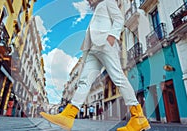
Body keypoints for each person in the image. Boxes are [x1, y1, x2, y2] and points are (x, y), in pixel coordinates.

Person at [40, 0, 150, 130]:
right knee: (84, 81)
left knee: (118, 77)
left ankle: (138, 116)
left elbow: (119, 18)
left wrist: (111, 37)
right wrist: (86, 54)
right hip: (93, 49)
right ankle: (68, 116)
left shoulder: (108, 2)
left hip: (105, 45)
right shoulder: (97, 10)